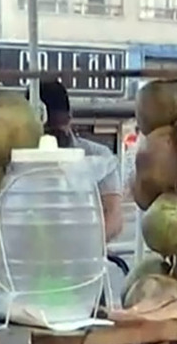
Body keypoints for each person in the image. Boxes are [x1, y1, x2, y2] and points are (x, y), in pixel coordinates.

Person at [37, 80, 124, 241]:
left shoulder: (98, 157)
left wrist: (81, 248)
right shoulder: (17, 164)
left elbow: (114, 219)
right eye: (45, 130)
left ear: (69, 118)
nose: (50, 138)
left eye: (56, 129)